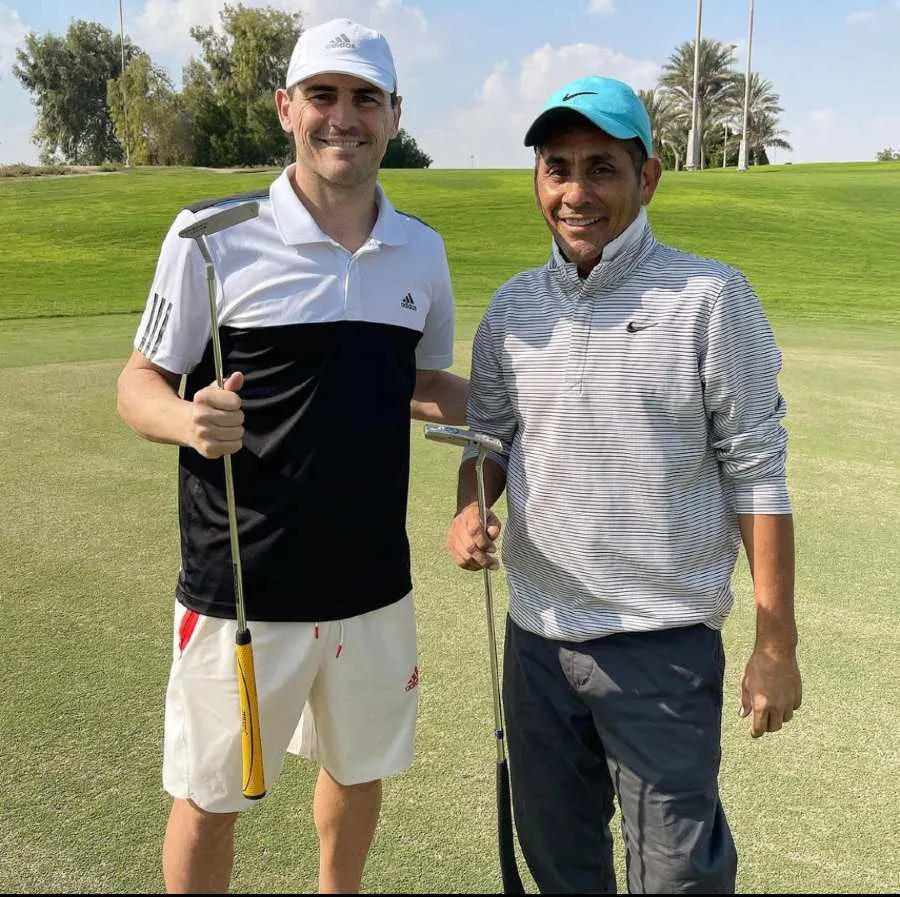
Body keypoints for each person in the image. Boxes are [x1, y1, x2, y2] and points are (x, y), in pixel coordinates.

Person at [116, 17, 468, 894]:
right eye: (322, 96)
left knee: (358, 772)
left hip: (372, 583)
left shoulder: (420, 250)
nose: (341, 118)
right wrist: (187, 421)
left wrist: (536, 407)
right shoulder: (210, 235)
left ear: (393, 114)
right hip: (244, 582)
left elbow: (420, 384)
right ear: (286, 108)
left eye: (363, 99)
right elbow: (138, 381)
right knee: (210, 797)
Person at [444, 75, 802, 894]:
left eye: (601, 167)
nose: (575, 192)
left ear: (648, 177)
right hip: (536, 642)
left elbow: (757, 470)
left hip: (661, 648)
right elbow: (489, 439)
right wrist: (471, 506)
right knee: (561, 865)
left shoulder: (713, 298)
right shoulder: (510, 310)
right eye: (557, 167)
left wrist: (775, 642)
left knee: (678, 877)